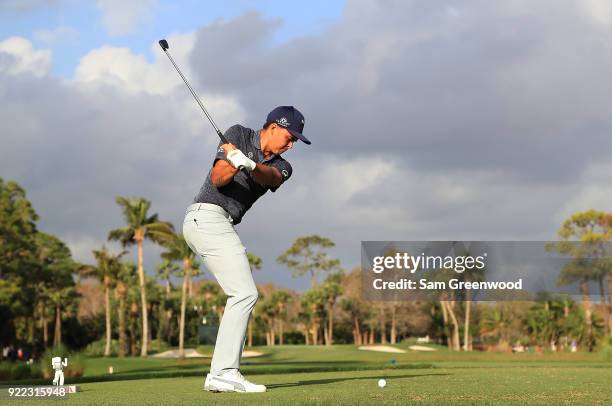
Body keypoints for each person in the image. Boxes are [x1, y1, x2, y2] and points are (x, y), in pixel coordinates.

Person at [183, 106, 311, 393]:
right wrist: (233, 160)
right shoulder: (238, 134)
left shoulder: (282, 166)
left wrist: (250, 164)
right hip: (205, 216)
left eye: (295, 142)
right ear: (273, 127)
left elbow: (271, 178)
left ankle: (220, 373)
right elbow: (217, 179)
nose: (291, 145)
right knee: (244, 293)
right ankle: (224, 371)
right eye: (289, 138)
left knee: (242, 293)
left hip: (219, 223)